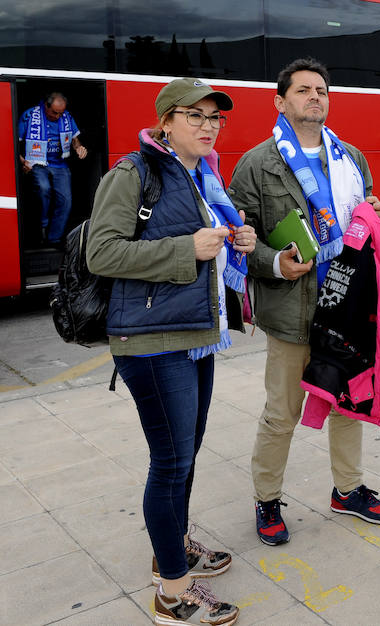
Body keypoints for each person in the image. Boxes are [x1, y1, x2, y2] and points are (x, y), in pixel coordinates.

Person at [87, 78, 257, 625]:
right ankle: (171, 592)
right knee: (170, 463)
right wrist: (187, 248)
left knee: (186, 456)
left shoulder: (201, 177)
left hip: (196, 335)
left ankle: (175, 548)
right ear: (165, 121)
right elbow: (102, 252)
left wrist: (236, 238)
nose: (209, 125)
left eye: (216, 118)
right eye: (196, 115)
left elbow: (205, 241)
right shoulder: (132, 173)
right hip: (152, 342)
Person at [228, 57, 380, 547]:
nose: (314, 97)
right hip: (290, 313)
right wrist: (274, 263)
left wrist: (377, 218)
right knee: (281, 413)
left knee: (348, 404)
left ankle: (348, 490)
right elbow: (240, 237)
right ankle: (267, 499)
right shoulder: (257, 164)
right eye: (303, 90)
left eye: (321, 90)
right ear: (281, 102)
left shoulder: (351, 159)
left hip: (346, 308)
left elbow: (366, 222)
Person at [18, 92, 88, 244]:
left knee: (66, 201)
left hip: (59, 163)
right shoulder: (29, 115)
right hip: (36, 163)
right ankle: (42, 224)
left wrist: (79, 148)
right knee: (44, 189)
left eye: (60, 113)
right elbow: (15, 142)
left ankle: (54, 238)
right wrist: (22, 161)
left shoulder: (67, 117)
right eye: (54, 112)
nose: (57, 116)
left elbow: (75, 140)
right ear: (45, 106)